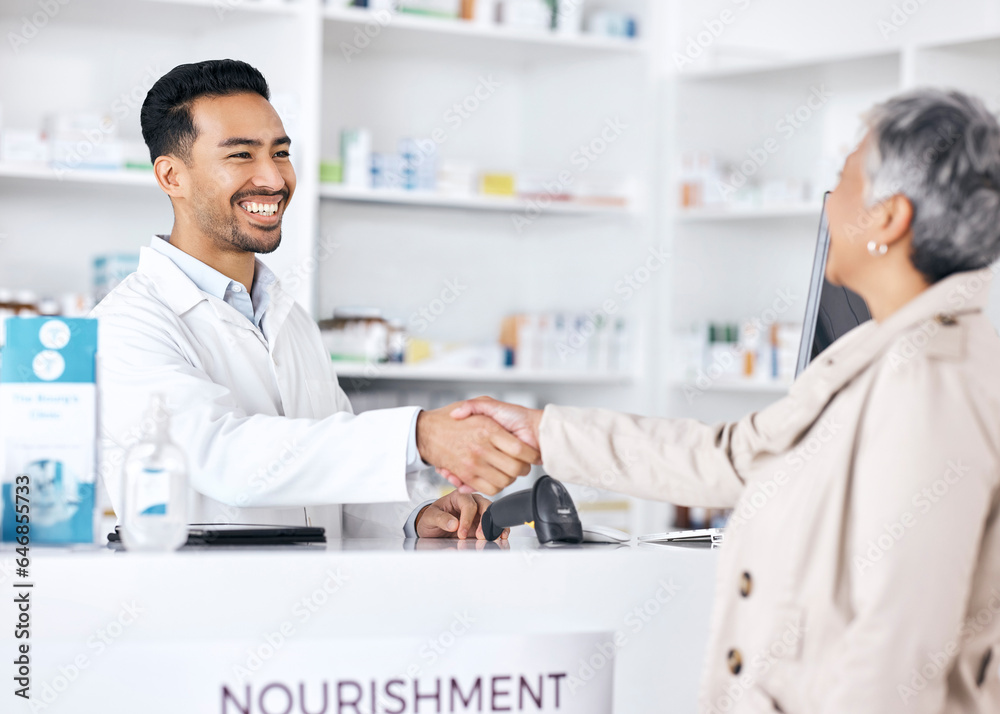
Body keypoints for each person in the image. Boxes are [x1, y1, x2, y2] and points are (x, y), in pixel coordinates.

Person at [444, 89, 1000, 712]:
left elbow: (897, 651)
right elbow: (736, 456)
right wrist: (545, 430)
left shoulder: (931, 385)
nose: (828, 203)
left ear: (889, 219)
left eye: (843, 178)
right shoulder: (881, 350)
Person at [93, 59, 540, 541]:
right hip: (201, 606)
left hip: (312, 603)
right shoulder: (125, 324)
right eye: (241, 155)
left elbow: (330, 477)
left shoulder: (288, 317)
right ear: (171, 177)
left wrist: (415, 514)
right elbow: (223, 460)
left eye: (280, 152)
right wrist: (418, 436)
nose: (273, 178)